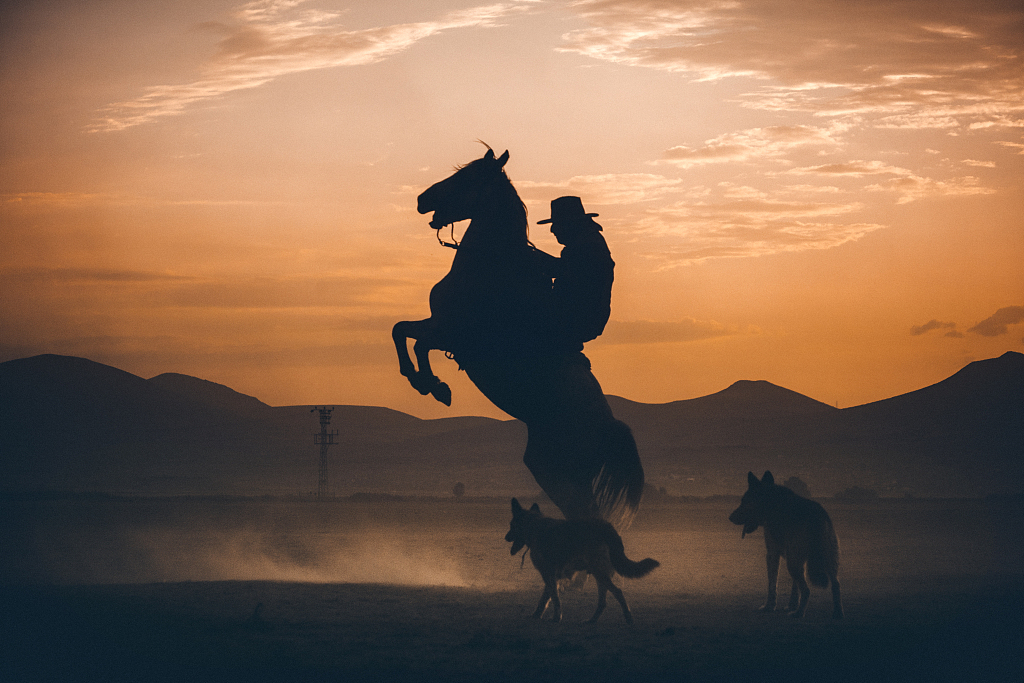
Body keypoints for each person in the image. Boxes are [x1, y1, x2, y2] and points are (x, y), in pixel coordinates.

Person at [535, 196, 615, 353]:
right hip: (580, 318)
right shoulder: (588, 243)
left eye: (557, 224)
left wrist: (536, 259)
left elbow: (568, 272)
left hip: (575, 319)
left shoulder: (588, 246)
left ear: (571, 224)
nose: (552, 230)